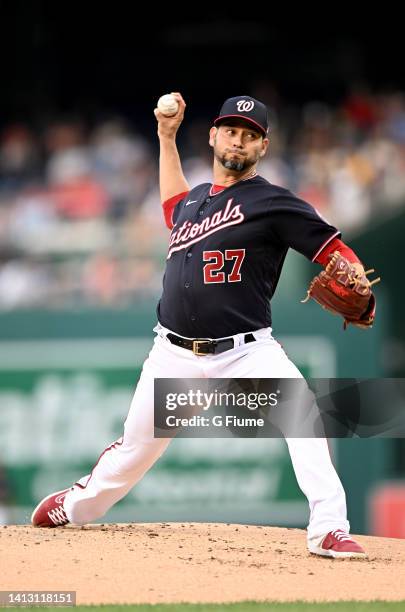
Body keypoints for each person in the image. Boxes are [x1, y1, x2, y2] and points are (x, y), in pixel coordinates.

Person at [31, 93, 372, 559]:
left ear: (263, 147)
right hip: (173, 354)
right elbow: (172, 205)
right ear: (213, 136)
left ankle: (329, 528)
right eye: (231, 131)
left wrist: (354, 273)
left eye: (250, 135)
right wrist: (165, 137)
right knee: (133, 451)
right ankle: (75, 506)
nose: (239, 140)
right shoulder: (194, 202)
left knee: (304, 419)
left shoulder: (273, 202)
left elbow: (331, 246)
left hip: (246, 352)